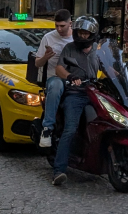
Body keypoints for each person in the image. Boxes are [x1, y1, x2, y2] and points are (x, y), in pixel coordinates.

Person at [51, 16, 107, 186]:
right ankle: (59, 170)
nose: (82, 36)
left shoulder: (98, 49)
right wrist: (69, 76)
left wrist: (120, 75)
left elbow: (108, 67)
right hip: (75, 94)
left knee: (112, 123)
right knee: (70, 129)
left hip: (95, 93)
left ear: (92, 34)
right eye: (80, 32)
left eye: (86, 33)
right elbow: (59, 68)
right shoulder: (69, 48)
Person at [37, 9, 73, 149]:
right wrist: (46, 57)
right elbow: (37, 63)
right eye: (56, 26)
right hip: (54, 77)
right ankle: (47, 129)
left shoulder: (77, 37)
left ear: (70, 23)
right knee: (56, 85)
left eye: (62, 26)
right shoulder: (48, 37)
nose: (59, 29)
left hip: (75, 78)